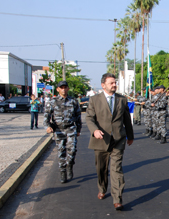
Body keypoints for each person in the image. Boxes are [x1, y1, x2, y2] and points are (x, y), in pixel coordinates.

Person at [85, 73, 134, 211]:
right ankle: (102, 188)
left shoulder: (122, 99)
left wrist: (130, 136)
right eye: (111, 83)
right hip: (101, 140)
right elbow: (89, 118)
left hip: (118, 140)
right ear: (103, 85)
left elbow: (126, 120)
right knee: (101, 168)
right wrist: (94, 130)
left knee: (116, 169)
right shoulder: (94, 100)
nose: (114, 85)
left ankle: (117, 198)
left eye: (115, 82)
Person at [44, 81, 82, 184]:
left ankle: (69, 165)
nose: (64, 89)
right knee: (61, 152)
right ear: (58, 89)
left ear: (68, 89)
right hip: (59, 130)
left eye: (65, 87)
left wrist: (78, 129)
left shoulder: (73, 101)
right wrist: (48, 127)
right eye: (61, 88)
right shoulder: (53, 102)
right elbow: (46, 116)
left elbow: (78, 117)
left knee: (72, 150)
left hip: (70, 129)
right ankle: (62, 171)